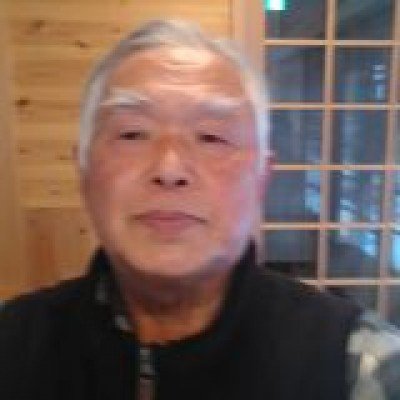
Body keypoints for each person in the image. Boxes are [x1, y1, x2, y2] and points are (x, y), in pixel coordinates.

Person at [0, 19, 399, 400]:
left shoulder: (359, 363)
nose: (169, 169)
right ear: (84, 171)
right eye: (132, 134)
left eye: (211, 137)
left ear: (261, 178)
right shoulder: (13, 345)